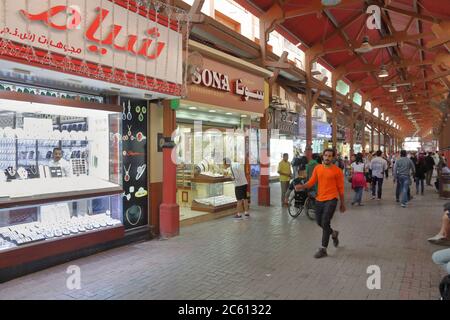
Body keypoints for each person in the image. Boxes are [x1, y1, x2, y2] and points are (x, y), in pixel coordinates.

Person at [295, 149, 345, 259]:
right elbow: (312, 182)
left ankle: (323, 249)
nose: (327, 158)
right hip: (319, 199)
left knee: (325, 221)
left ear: (333, 158)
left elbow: (340, 188)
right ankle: (333, 233)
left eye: (330, 156)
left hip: (331, 199)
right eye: (326, 155)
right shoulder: (318, 168)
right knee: (319, 222)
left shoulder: (337, 171)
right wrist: (302, 186)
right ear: (323, 156)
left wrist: (342, 203)